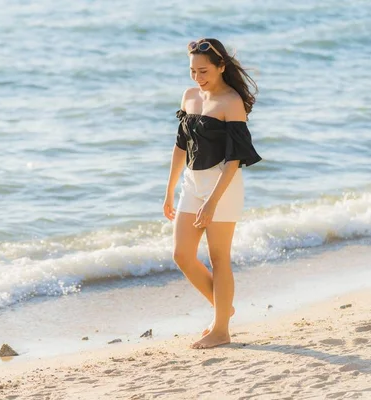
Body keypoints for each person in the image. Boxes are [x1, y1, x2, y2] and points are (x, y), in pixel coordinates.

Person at [163, 38, 262, 349]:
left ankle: (221, 329)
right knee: (181, 254)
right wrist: (169, 192)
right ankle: (223, 309)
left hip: (223, 186)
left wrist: (212, 201)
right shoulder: (190, 96)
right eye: (193, 70)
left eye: (203, 70)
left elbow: (235, 159)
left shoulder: (231, 102)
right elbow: (181, 146)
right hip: (192, 185)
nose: (197, 77)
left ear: (221, 67)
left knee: (219, 259)